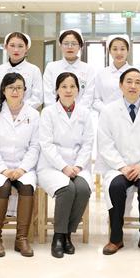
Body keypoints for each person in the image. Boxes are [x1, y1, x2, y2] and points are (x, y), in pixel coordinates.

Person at [97, 68, 140, 256]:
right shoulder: (109, 111)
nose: (133, 86)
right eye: (128, 81)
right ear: (120, 85)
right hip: (119, 167)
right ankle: (115, 238)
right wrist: (122, 167)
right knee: (116, 186)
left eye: (137, 82)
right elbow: (105, 144)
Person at [0, 72, 40, 257]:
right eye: (11, 87)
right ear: (3, 91)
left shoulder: (33, 114)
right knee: (3, 187)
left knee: (27, 186)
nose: (15, 91)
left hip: (24, 167)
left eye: (19, 88)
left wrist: (22, 169)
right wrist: (4, 169)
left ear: (24, 91)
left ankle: (21, 239)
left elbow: (35, 146)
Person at [38, 72, 93, 258]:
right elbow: (46, 144)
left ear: (78, 90)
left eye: (72, 86)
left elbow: (88, 143)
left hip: (78, 166)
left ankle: (67, 234)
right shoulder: (48, 113)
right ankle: (58, 236)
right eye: (64, 86)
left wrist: (78, 166)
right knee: (67, 189)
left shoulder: (85, 113)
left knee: (83, 189)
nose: (68, 90)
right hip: (51, 166)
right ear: (57, 90)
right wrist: (63, 167)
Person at [0, 32, 43, 110]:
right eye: (12, 45)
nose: (16, 50)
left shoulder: (34, 70)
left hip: (26, 113)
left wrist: (19, 109)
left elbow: (37, 97)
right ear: (6, 47)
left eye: (20, 46)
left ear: (26, 48)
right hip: (0, 113)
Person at [43, 28, 96, 110]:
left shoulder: (88, 69)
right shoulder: (51, 67)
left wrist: (76, 112)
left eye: (74, 44)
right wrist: (57, 112)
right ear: (60, 45)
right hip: (55, 114)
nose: (70, 47)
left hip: (81, 114)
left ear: (80, 46)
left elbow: (89, 95)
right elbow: (48, 95)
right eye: (66, 43)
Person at [93, 34, 132, 114]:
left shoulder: (135, 72)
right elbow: (95, 99)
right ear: (109, 51)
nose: (119, 53)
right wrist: (107, 110)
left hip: (129, 115)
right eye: (115, 49)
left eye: (122, 49)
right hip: (106, 115)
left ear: (128, 51)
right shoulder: (101, 74)